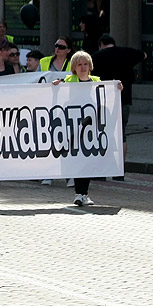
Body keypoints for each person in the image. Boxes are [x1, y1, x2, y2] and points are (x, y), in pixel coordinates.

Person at [52, 50, 123, 207]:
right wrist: (56, 85)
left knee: (88, 161)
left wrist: (117, 88)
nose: (83, 67)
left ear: (90, 66)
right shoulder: (69, 81)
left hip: (91, 129)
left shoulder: (97, 81)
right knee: (78, 160)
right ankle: (79, 193)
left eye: (85, 64)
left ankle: (84, 194)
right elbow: (59, 96)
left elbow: (107, 98)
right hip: (75, 128)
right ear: (74, 67)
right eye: (79, 64)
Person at [92, 34, 146, 159]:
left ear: (102, 45)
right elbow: (144, 55)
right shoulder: (127, 53)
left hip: (103, 101)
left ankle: (104, 169)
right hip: (124, 100)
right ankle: (120, 169)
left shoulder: (96, 56)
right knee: (121, 134)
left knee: (103, 132)